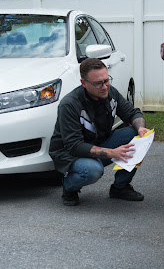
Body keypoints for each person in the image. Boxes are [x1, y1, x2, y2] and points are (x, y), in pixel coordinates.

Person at [49, 58, 150, 206]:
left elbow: (133, 113)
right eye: (98, 83)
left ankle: (120, 188)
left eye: (106, 80)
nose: (104, 87)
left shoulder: (110, 92)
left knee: (137, 135)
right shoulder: (70, 104)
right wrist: (112, 153)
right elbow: (75, 146)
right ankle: (69, 186)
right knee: (93, 170)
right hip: (70, 153)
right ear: (84, 83)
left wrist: (141, 127)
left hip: (98, 143)